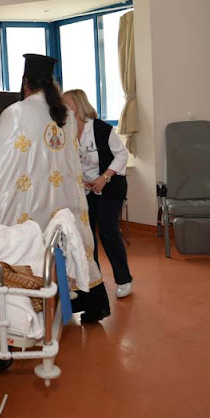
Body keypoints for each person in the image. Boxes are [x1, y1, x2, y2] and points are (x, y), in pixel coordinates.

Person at [0, 54, 110, 323]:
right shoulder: (65, 115)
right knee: (73, 242)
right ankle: (94, 302)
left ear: (25, 82)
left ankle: (32, 306)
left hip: (32, 200)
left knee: (30, 248)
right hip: (63, 198)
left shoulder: (16, 112)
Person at [63, 89, 133, 298]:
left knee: (108, 230)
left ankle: (124, 279)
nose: (63, 108)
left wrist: (104, 178)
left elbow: (122, 155)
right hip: (86, 189)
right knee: (86, 233)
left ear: (78, 105)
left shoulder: (101, 128)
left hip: (110, 186)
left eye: (67, 104)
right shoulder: (65, 131)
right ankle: (94, 279)